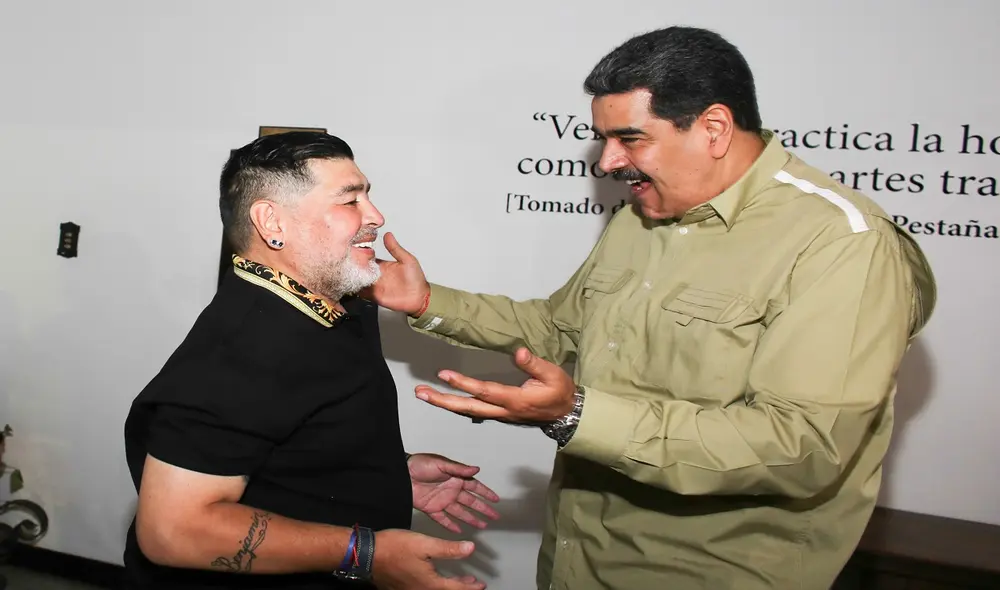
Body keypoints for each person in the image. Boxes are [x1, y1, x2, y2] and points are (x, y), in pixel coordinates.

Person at [361, 26, 938, 590]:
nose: (608, 162)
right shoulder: (646, 214)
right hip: (577, 557)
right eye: (604, 139)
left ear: (713, 128)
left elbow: (801, 446)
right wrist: (429, 302)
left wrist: (577, 415)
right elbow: (561, 329)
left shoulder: (842, 243)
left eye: (630, 139)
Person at [121, 131, 500, 590]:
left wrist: (387, 475)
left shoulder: (330, 305)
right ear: (272, 223)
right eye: (349, 201)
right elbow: (172, 532)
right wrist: (369, 554)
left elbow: (281, 443)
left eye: (368, 197)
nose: (375, 217)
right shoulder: (247, 345)